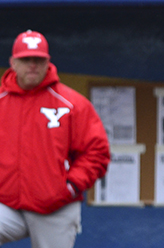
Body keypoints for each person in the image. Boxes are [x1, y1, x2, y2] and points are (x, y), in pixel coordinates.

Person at [0, 30, 110, 248]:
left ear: (48, 62)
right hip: (7, 204)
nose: (32, 65)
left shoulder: (71, 103)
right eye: (26, 59)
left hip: (54, 206)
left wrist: (69, 187)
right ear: (13, 62)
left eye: (38, 59)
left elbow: (97, 152)